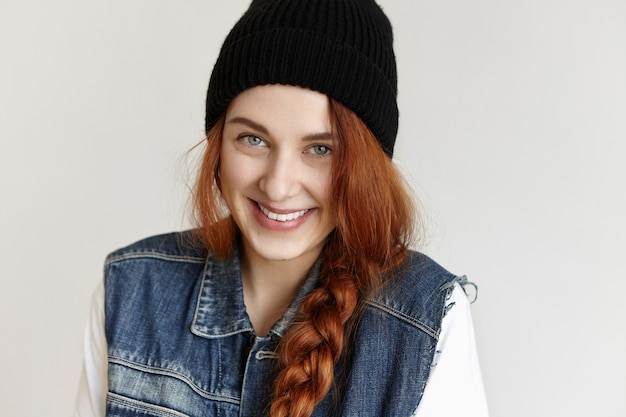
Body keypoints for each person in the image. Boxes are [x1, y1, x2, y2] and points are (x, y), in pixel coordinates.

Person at [73, 1, 489, 416]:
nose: (277, 184)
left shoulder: (424, 321)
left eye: (320, 149)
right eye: (253, 140)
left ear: (365, 167)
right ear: (218, 145)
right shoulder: (131, 291)